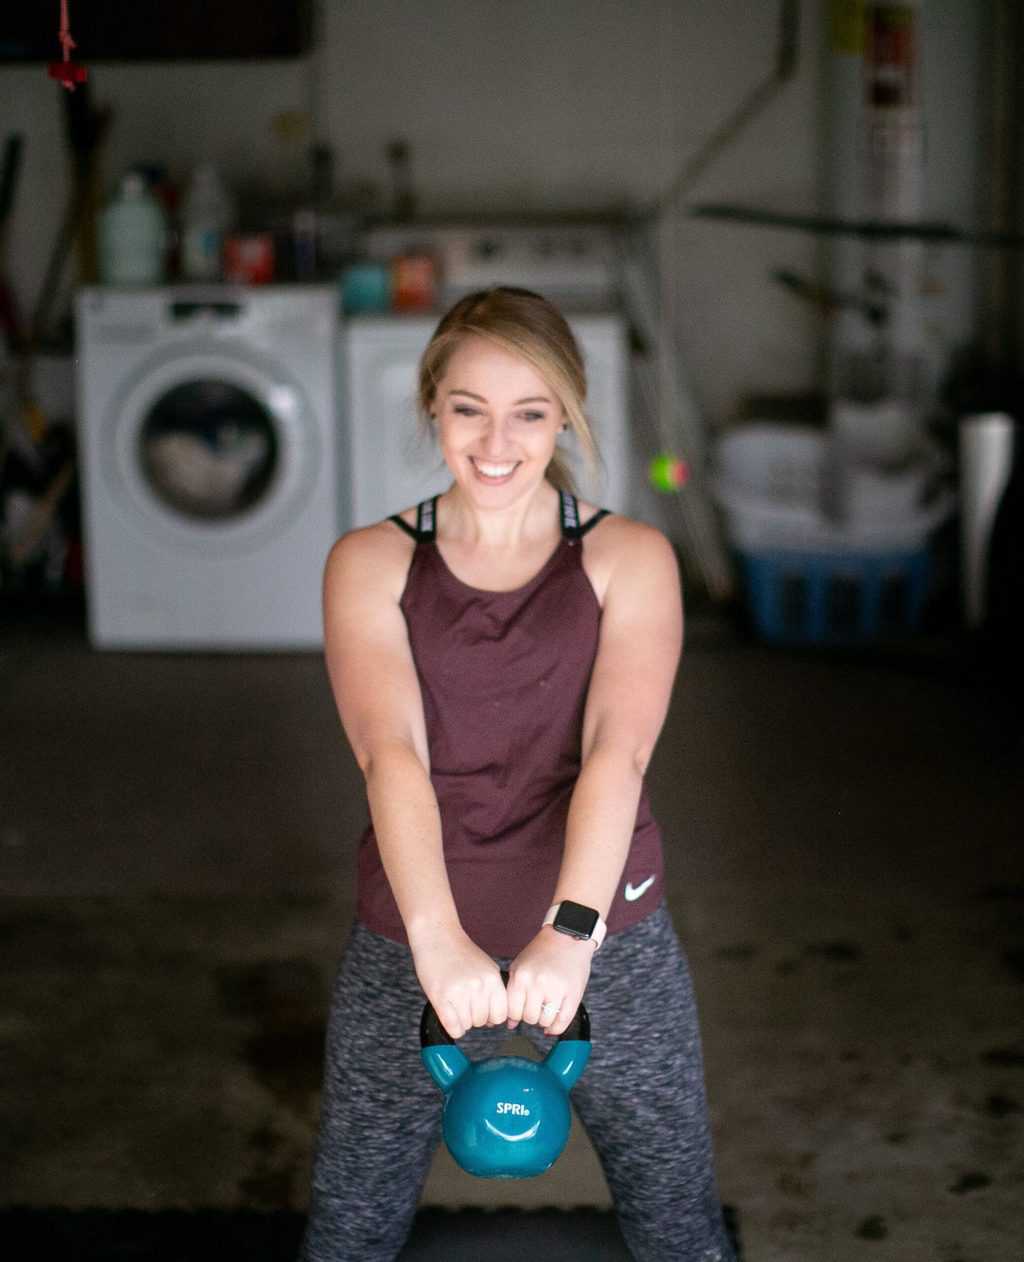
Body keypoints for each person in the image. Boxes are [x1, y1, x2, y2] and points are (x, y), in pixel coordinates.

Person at [299, 287, 735, 1262]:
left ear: (569, 414)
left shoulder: (630, 557)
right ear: (431, 409)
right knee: (348, 1230)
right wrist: (436, 939)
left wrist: (571, 933)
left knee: (678, 1225)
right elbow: (390, 752)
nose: (496, 443)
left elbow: (616, 752)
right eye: (468, 408)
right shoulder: (368, 562)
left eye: (529, 412)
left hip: (604, 933)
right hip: (412, 932)